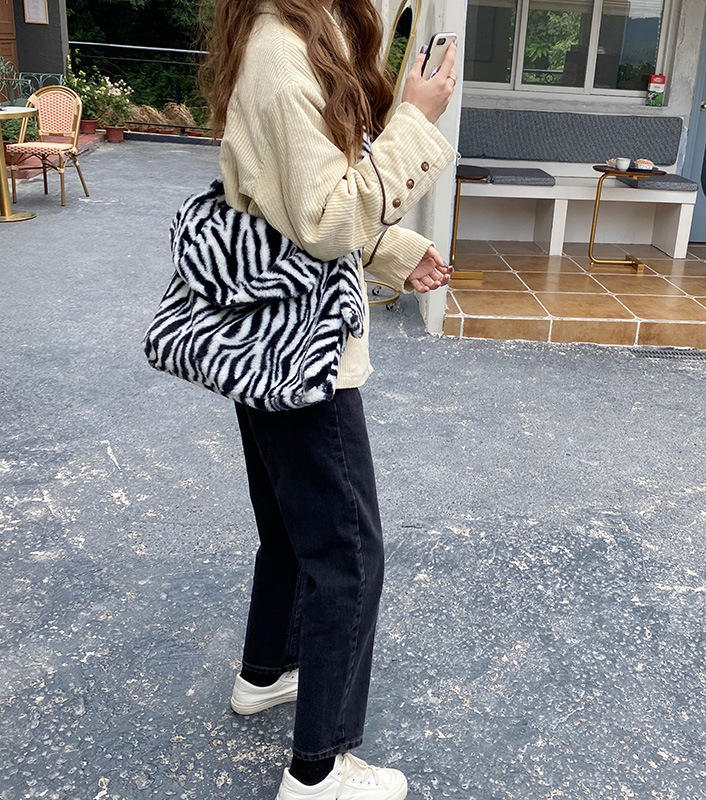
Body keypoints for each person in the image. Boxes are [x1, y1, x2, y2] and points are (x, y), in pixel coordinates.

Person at [201, 1, 457, 797]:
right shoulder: (285, 48)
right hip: (305, 349)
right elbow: (326, 216)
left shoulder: (284, 35)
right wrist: (415, 119)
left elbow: (292, 203)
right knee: (348, 556)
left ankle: (267, 670)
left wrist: (396, 253)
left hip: (265, 335)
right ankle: (319, 771)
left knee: (291, 530)